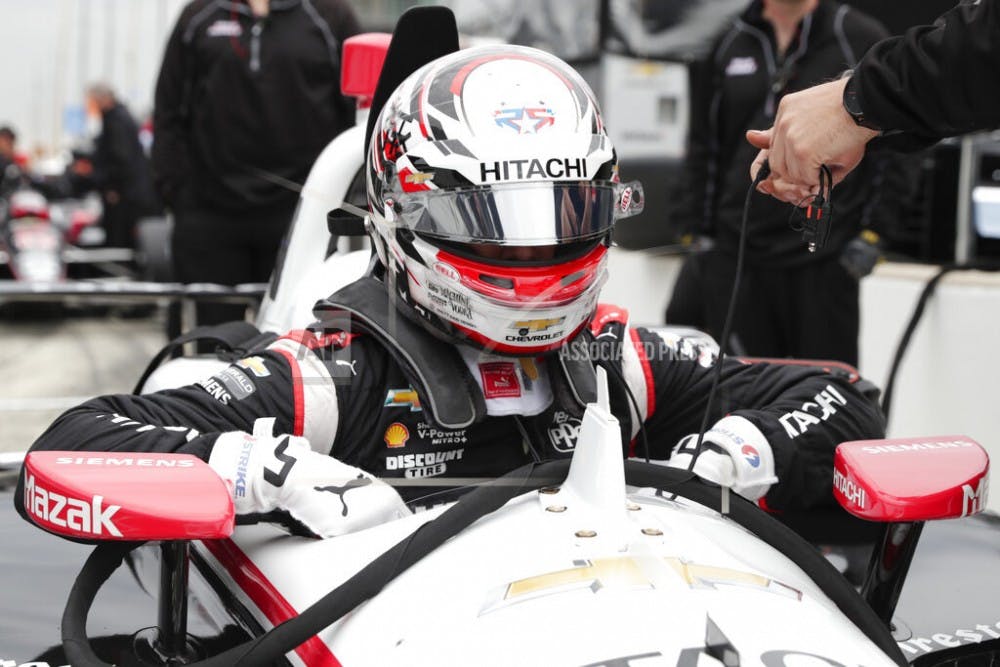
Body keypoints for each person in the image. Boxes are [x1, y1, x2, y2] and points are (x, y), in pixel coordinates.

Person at [16, 45, 886, 540]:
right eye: (496, 217)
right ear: (403, 217)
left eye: (565, 211)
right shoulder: (331, 380)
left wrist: (735, 452)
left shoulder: (612, 361)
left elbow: (839, 397)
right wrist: (261, 468)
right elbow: (79, 439)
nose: (535, 248)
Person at [665, 0, 893, 366]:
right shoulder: (728, 40)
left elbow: (895, 148)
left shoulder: (859, 37)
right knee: (740, 394)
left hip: (824, 259)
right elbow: (704, 143)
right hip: (740, 254)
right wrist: (698, 233)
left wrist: (874, 235)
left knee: (829, 394)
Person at [151, 0, 361, 328]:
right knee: (211, 346)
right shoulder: (200, 16)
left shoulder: (330, 16)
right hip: (210, 217)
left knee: (298, 343)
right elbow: (168, 111)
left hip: (303, 219)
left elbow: (358, 114)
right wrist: (175, 192)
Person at [748, 0, 1000, 204]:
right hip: (738, 233)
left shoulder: (855, 32)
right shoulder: (732, 39)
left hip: (833, 241)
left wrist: (855, 102)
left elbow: (983, 46)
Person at [74, 84, 160, 249]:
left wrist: (112, 187)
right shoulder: (120, 117)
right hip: (131, 193)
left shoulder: (116, 121)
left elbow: (121, 158)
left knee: (120, 242)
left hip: (126, 197)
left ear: (103, 100)